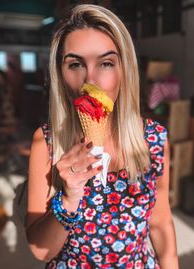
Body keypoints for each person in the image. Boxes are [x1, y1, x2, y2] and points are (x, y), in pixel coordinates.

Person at [26, 4, 178, 269]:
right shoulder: (47, 142)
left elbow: (161, 223)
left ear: (124, 71)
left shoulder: (154, 140)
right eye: (75, 64)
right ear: (60, 76)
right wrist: (69, 197)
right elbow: (42, 252)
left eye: (106, 63)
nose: (90, 80)